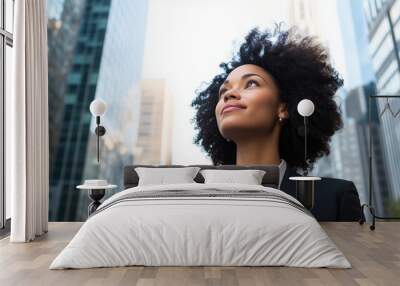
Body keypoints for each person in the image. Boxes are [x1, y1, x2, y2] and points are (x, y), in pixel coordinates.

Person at [191, 25, 363, 221]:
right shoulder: (199, 202)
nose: (229, 94)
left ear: (283, 109)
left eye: (251, 83)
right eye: (223, 92)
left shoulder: (335, 198)